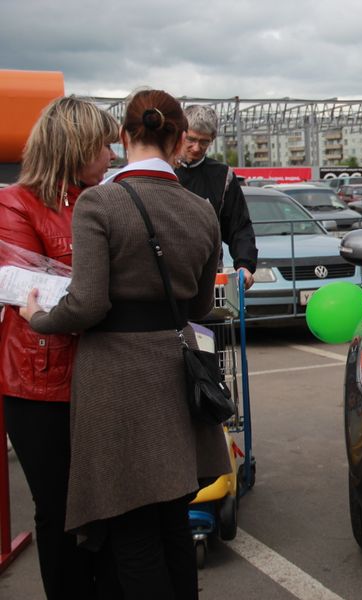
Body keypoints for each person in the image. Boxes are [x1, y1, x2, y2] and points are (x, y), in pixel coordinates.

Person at [21, 89, 232, 599]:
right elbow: (201, 305)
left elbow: (87, 304)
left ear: (122, 136)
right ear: (181, 139)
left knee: (132, 530)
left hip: (116, 382)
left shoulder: (100, 202)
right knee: (173, 524)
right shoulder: (202, 209)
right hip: (177, 372)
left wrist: (39, 317)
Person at [0, 96, 118, 599]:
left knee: (108, 506)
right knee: (60, 511)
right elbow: (23, 287)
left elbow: (82, 292)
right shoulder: (14, 204)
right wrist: (100, 290)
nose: (112, 157)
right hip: (39, 384)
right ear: (74, 148)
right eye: (103, 146)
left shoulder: (103, 200)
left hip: (101, 374)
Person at [174, 105, 257, 289]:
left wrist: (244, 264)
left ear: (212, 139)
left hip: (208, 281)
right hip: (167, 280)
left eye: (204, 142)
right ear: (180, 134)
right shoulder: (162, 169)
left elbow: (239, 226)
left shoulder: (223, 176)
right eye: (191, 139)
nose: (196, 148)